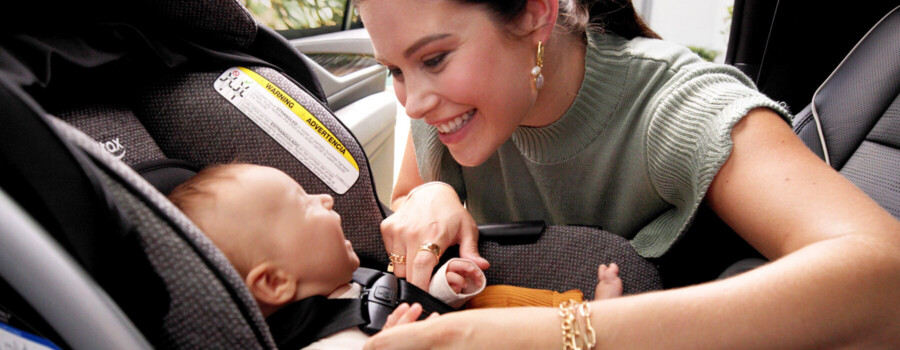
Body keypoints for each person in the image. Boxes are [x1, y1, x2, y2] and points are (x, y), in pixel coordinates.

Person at [358, 0, 900, 348]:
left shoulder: (679, 109)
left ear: (536, 13)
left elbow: (885, 279)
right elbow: (409, 202)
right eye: (393, 70)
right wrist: (427, 194)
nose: (413, 103)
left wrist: (554, 335)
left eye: (433, 60)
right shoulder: (444, 108)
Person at [167, 163, 626, 349]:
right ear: (274, 283)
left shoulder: (351, 282)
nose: (325, 199)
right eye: (304, 204)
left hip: (447, 326)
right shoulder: (324, 343)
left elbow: (409, 299)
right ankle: (596, 331)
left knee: (499, 299)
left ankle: (588, 318)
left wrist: (447, 288)